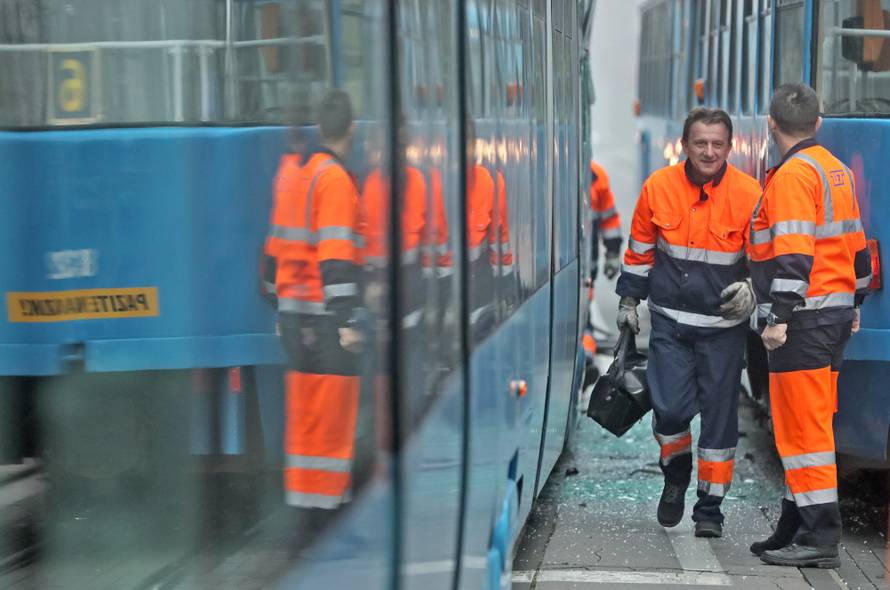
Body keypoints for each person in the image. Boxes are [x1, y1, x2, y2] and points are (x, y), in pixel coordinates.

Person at [615, 108, 761, 538]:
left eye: (718, 144)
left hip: (722, 332)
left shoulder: (749, 194)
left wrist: (753, 288)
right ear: (684, 145)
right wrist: (628, 301)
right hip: (671, 327)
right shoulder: (658, 188)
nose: (709, 151)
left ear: (730, 148)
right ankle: (676, 472)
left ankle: (709, 510)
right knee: (670, 409)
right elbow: (640, 250)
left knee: (719, 422)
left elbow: (764, 260)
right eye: (701, 143)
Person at [748, 83, 871, 568]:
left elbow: (795, 255)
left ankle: (820, 538)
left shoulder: (795, 176)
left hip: (804, 320)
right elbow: (858, 247)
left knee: (805, 432)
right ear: (818, 124)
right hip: (833, 315)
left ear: (771, 124)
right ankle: (794, 524)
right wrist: (856, 301)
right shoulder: (835, 171)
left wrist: (778, 317)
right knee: (805, 425)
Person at [269, 89, 366, 513]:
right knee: (330, 422)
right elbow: (336, 258)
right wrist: (347, 321)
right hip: (326, 322)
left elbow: (273, 252)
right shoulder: (335, 181)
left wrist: (279, 304)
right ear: (352, 129)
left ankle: (304, 508)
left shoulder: (295, 175)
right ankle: (328, 513)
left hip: (294, 317)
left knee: (305, 420)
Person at [582, 161, 623, 380]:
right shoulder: (594, 176)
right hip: (581, 265)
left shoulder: (597, 178)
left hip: (586, 267)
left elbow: (609, 219)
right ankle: (585, 360)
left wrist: (613, 254)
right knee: (581, 319)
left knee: (582, 314)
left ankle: (585, 360)